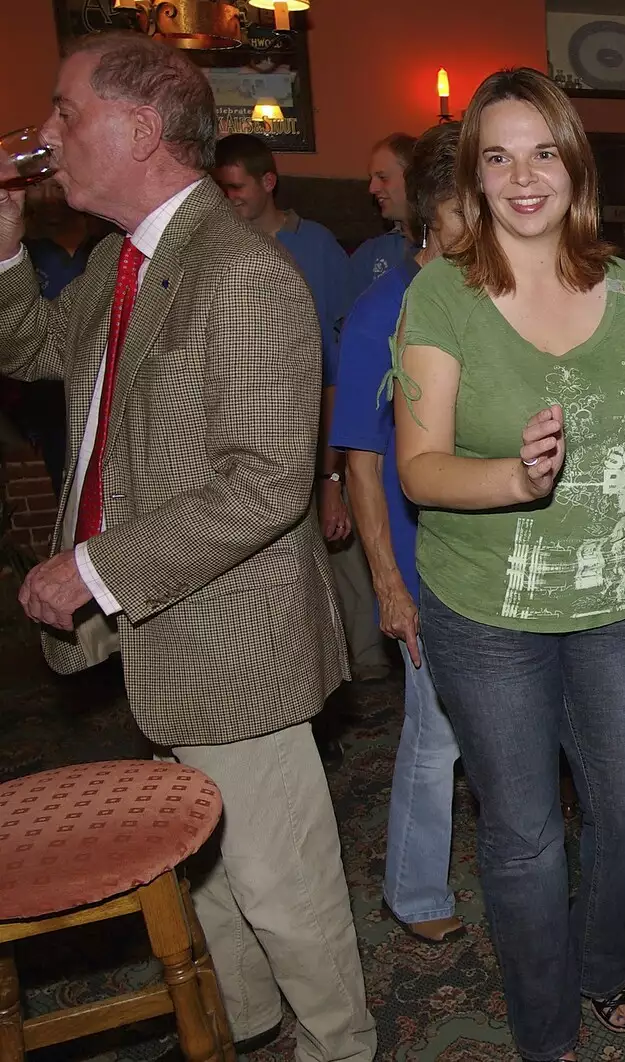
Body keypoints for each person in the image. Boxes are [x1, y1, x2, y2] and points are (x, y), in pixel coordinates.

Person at [0, 32, 375, 1062]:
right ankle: (247, 1027)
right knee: (208, 866)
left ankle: (340, 1047)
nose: (44, 135)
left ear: (140, 129)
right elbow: (31, 346)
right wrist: (1, 245)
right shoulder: (128, 260)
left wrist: (89, 568)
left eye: (65, 112)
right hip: (169, 631)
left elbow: (261, 484)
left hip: (236, 645)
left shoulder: (242, 274)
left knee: (283, 890)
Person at [392, 67, 625, 1062]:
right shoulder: (443, 292)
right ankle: (544, 1030)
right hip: (482, 613)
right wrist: (516, 480)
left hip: (612, 604)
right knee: (524, 839)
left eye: (543, 152)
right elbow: (420, 468)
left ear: (574, 165)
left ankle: (599, 957)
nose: (524, 176)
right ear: (474, 176)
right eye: (498, 156)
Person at [331, 121, 466, 943]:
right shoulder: (383, 307)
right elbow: (362, 460)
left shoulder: (488, 298)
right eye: (466, 213)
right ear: (432, 212)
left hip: (496, 561)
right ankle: (414, 891)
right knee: (436, 734)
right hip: (422, 564)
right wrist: (387, 582)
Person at [213, 133, 389, 699]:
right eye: (221, 188)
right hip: (246, 425)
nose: (229, 197)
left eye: (236, 186)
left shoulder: (313, 245)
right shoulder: (217, 245)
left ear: (268, 183)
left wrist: (330, 467)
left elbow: (341, 351)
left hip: (317, 417)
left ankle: (365, 659)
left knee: (340, 542)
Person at [5, 179, 108, 490]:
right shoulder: (19, 250)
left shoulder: (108, 243)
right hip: (49, 403)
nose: (48, 198)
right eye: (38, 187)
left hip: (106, 392)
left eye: (56, 187)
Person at [349, 132, 417, 295]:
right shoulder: (369, 255)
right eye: (371, 179)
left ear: (414, 179)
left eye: (383, 177)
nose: (372, 189)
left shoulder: (449, 249)